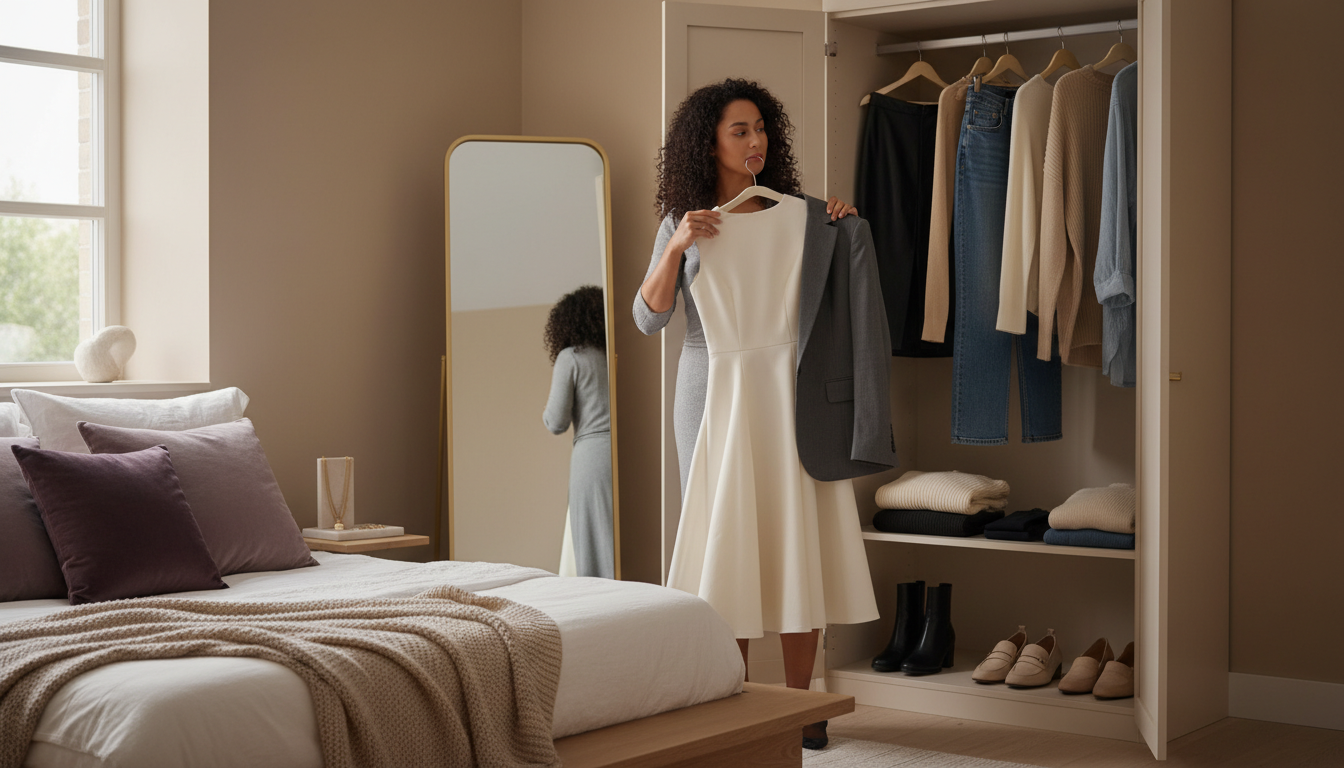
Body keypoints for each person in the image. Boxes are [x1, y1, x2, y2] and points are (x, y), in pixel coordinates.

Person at [633, 78, 865, 750]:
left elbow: (833, 293)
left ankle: (804, 704)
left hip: (790, 389)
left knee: (800, 539)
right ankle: (728, 698)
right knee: (723, 542)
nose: (756, 140)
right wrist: (677, 246)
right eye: (740, 130)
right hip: (711, 395)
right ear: (708, 141)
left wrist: (839, 228)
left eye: (761, 128)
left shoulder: (803, 216)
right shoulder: (685, 221)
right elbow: (648, 319)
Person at [542, 285, 613, 579]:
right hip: (625, 453)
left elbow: (556, 421)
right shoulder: (617, 355)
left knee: (592, 543)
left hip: (592, 458)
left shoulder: (571, 357)